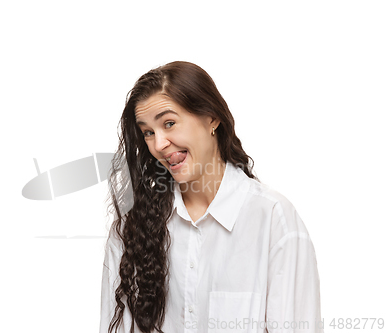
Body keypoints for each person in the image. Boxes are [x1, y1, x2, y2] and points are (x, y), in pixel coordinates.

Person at [100, 61, 323, 333]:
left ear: (211, 118)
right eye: (148, 132)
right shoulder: (130, 231)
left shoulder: (273, 221)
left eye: (169, 123)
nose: (158, 144)